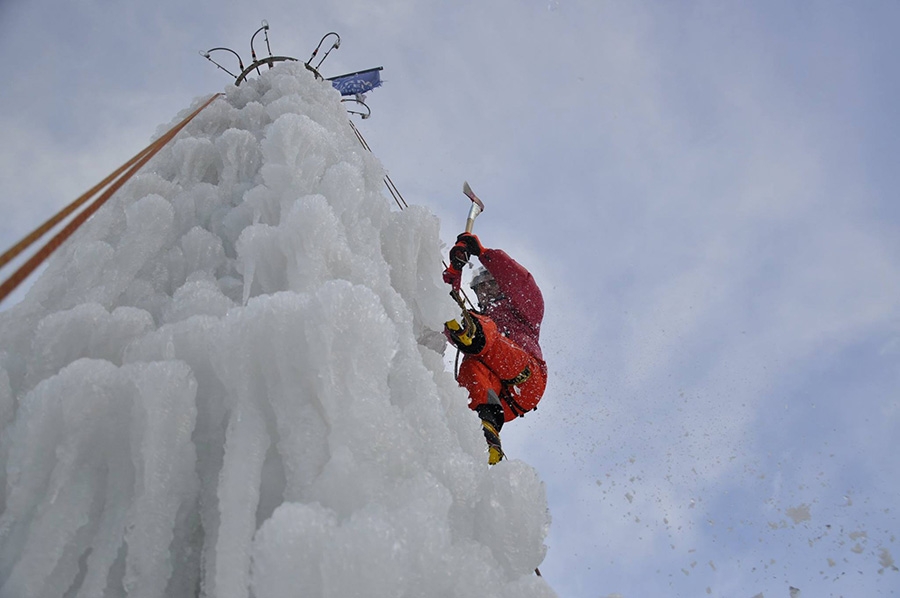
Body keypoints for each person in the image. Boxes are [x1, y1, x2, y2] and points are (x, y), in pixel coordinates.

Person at [442, 232, 547, 464]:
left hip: (527, 379)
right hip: (502, 401)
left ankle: (471, 333)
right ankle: (485, 425)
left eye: (490, 284)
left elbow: (522, 283)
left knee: (483, 331)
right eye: (480, 288)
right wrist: (455, 272)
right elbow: (442, 310)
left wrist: (483, 254)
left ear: (501, 285)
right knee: (471, 364)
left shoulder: (525, 311)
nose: (485, 291)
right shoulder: (481, 317)